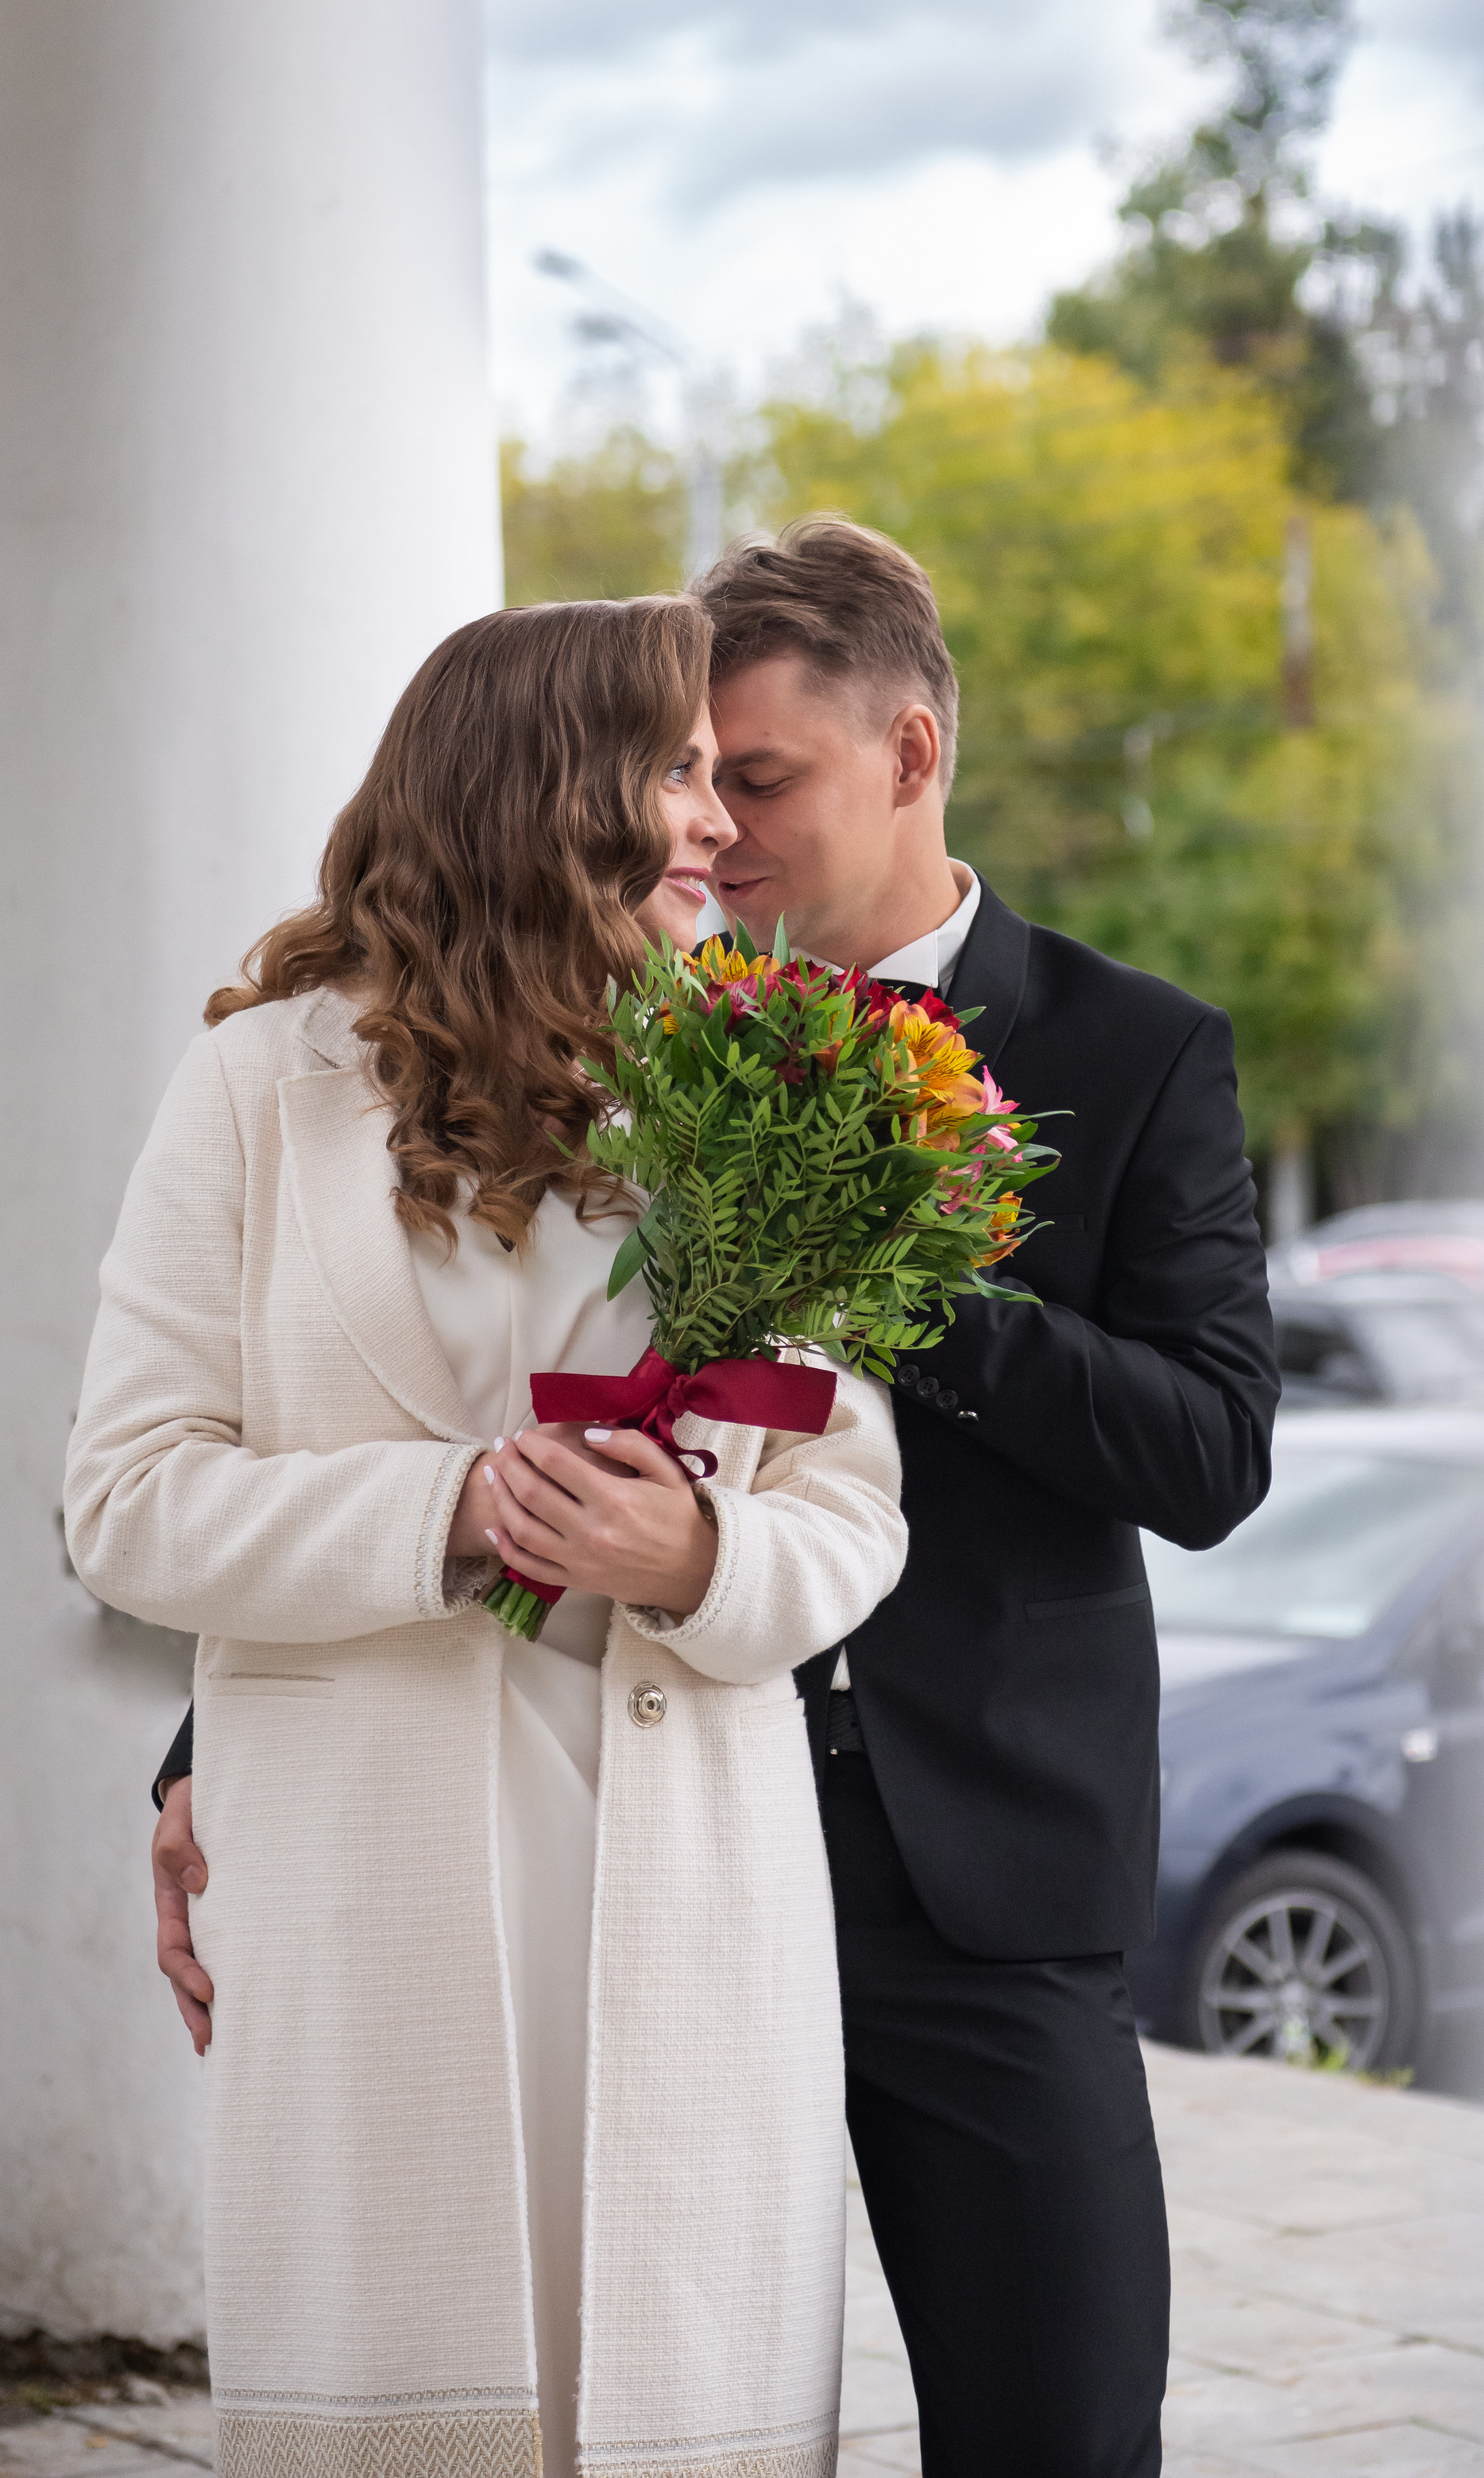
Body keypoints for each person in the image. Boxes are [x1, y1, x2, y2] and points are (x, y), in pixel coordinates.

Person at [149, 519, 1279, 2478]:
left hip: (978, 1873)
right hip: (638, 1843)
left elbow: (1208, 1453)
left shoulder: (1135, 1046)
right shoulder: (598, 1045)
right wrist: (204, 1746)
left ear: (908, 755)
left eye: (757, 780)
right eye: (691, 781)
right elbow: (401, 1396)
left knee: (1058, 2429)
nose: (718, 834)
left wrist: (906, 1261)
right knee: (641, 2408)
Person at [68, 598, 905, 2478]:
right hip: (378, 1869)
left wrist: (702, 1567)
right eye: (680, 773)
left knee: (676, 2401)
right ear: (551, 789)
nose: (719, 822)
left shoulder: (771, 1089)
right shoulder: (255, 1089)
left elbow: (852, 1504)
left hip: (681, 1854)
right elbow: (125, 1500)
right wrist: (442, 1511)